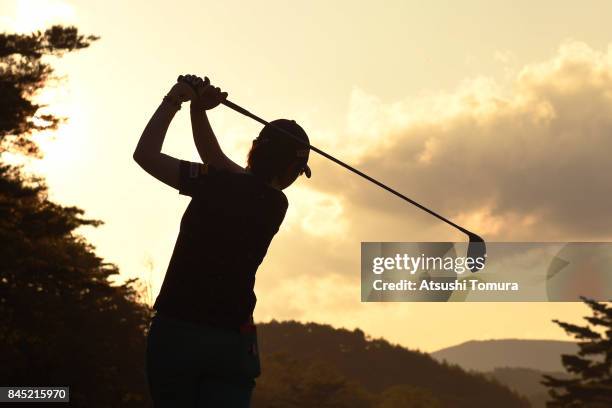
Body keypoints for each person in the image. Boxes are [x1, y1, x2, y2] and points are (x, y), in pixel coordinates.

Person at [133, 74, 311, 407]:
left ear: (255, 149)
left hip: (175, 331)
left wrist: (176, 101)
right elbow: (221, 163)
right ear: (290, 170)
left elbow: (146, 154)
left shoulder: (211, 182)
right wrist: (198, 111)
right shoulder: (275, 205)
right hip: (230, 340)